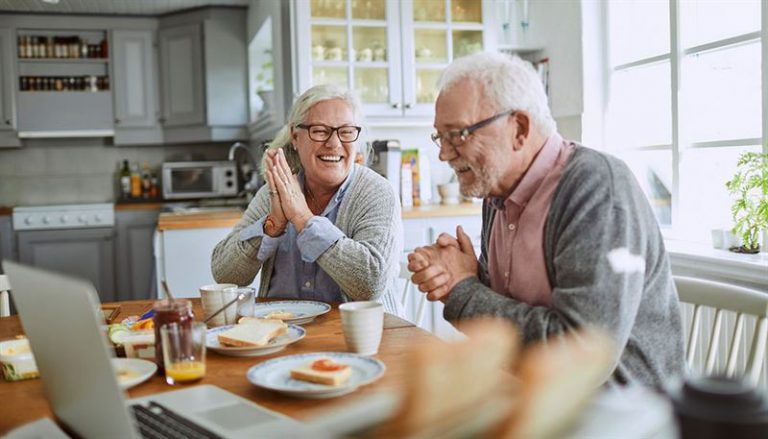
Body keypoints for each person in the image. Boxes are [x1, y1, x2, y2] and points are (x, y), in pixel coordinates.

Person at [407, 52, 684, 387]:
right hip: (530, 398)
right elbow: (514, 306)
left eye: (458, 135)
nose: (444, 153)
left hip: (618, 416)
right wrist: (468, 274)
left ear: (519, 128)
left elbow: (578, 354)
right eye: (441, 137)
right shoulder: (496, 193)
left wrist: (463, 289)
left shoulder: (595, 187)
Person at [212, 84, 403, 315]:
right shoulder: (274, 192)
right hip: (283, 336)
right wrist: (273, 225)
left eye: (346, 131)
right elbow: (224, 275)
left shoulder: (376, 192)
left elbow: (370, 284)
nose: (334, 143)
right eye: (320, 131)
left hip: (361, 342)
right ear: (295, 136)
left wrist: (303, 218)